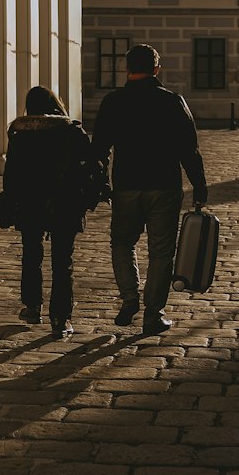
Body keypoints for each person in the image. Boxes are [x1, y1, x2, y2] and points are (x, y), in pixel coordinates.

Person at [91, 44, 208, 336]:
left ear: (127, 69)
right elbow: (189, 149)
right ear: (157, 69)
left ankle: (130, 296)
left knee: (122, 243)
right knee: (161, 253)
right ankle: (153, 314)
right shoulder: (172, 101)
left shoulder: (114, 102)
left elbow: (99, 148)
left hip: (127, 185)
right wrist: (199, 185)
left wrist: (100, 181)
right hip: (163, 186)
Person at [2, 85, 107, 339]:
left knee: (31, 255)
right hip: (65, 201)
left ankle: (32, 307)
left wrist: (10, 200)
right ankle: (60, 318)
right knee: (63, 262)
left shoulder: (20, 131)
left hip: (29, 201)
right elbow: (91, 164)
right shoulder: (71, 130)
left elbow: (12, 172)